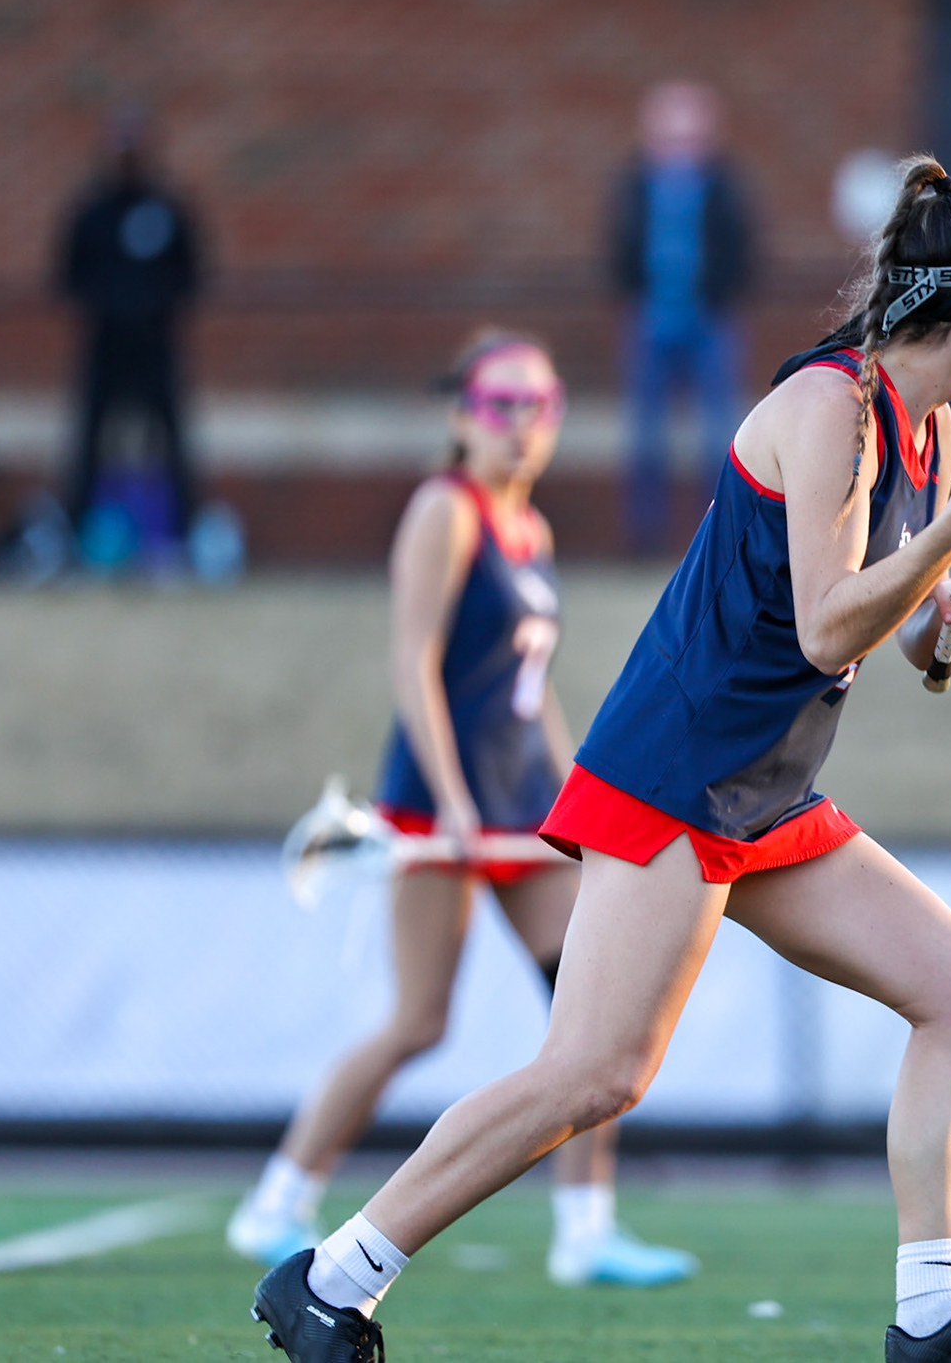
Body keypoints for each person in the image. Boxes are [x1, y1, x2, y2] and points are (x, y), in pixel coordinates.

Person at [250, 161, 951, 1363]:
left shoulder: (929, 423)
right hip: (685, 767)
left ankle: (934, 1312)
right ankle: (330, 1276)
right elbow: (825, 625)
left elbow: (889, 616)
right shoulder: (830, 407)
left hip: (767, 785)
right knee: (595, 1071)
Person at [227, 329, 697, 1291]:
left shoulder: (535, 529)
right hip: (441, 809)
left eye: (540, 406)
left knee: (595, 1015)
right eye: (499, 406)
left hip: (524, 809)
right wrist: (446, 802)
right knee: (418, 1021)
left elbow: (530, 692)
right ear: (460, 414)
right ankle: (276, 1199)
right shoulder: (445, 511)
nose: (520, 427)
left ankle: (584, 1229)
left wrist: (579, 789)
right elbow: (415, 665)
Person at [608, 81, 754, 553]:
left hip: (711, 322)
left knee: (719, 439)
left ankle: (715, 536)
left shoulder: (726, 185)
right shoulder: (633, 184)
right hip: (649, 321)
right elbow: (618, 244)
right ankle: (644, 538)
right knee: (646, 438)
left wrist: (724, 290)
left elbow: (744, 247)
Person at [54, 108, 204, 542]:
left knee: (173, 439)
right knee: (88, 441)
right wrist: (112, 304)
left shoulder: (167, 212)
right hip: (106, 344)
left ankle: (184, 533)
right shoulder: (91, 213)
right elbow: (68, 276)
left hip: (156, 345)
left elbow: (190, 275)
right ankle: (75, 533)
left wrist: (151, 306)